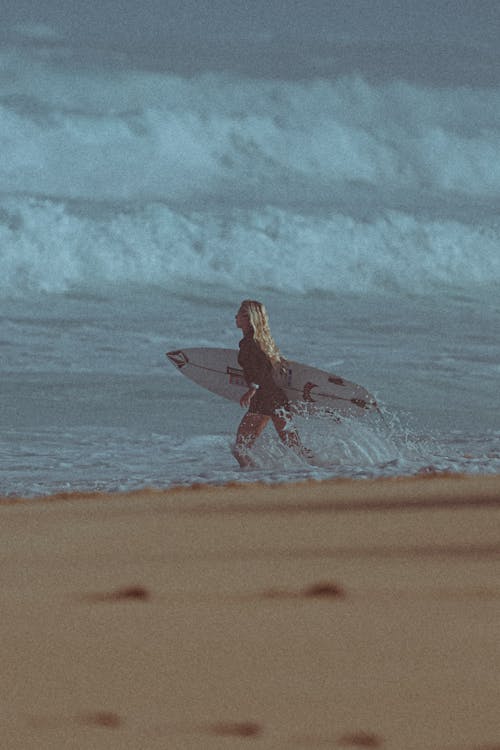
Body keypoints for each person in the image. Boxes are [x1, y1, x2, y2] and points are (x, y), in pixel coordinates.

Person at [233, 299, 306, 467]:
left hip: (263, 399)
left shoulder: (248, 344)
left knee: (241, 449)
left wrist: (252, 389)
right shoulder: (261, 343)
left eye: (239, 314)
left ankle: (255, 479)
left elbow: (260, 372)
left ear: (248, 318)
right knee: (295, 448)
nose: (235, 316)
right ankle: (321, 472)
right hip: (275, 398)